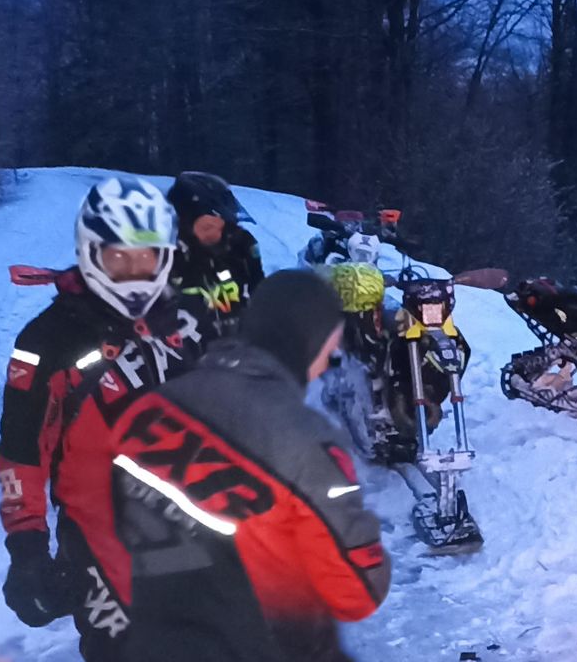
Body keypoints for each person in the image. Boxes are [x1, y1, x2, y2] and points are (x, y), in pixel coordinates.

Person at [111, 269, 391, 662]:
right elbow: (358, 591)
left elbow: (107, 535)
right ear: (309, 341)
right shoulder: (305, 440)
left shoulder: (148, 410)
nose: (331, 361)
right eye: (331, 345)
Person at [0, 176, 208, 660]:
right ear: (90, 254)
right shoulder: (47, 339)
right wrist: (27, 549)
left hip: (195, 524)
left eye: (146, 257)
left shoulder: (184, 321)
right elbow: (20, 450)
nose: (134, 272)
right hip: (98, 540)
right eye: (118, 257)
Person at [166, 171, 265, 337]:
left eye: (222, 226)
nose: (217, 234)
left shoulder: (239, 245)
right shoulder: (168, 258)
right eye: (208, 228)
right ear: (184, 225)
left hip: (237, 344)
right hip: (183, 347)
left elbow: (260, 291)